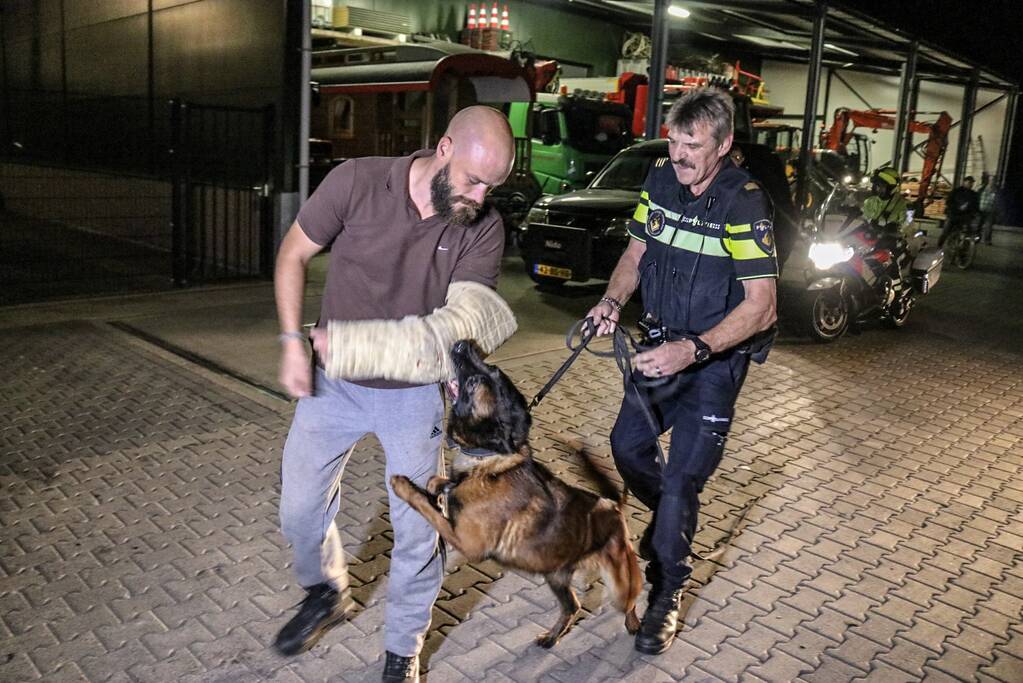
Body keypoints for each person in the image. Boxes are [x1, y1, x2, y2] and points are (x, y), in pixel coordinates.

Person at [273, 105, 514, 683]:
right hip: (332, 385)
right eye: (473, 180)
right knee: (299, 510)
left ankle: (403, 650)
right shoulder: (357, 180)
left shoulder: (480, 227)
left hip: (413, 398)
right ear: (446, 148)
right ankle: (325, 590)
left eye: (492, 186)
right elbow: (293, 254)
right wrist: (288, 341)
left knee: (418, 532)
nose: (479, 196)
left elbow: (461, 326)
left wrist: (357, 345)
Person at [585, 88, 777, 655]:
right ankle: (669, 520)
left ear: (723, 145)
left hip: (713, 364)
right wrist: (611, 303)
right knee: (627, 447)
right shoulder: (661, 182)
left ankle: (667, 590)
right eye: (673, 140)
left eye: (692, 145)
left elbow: (762, 305)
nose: (679, 154)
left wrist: (693, 351)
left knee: (682, 481)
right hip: (659, 347)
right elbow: (635, 255)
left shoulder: (744, 203)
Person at [861, 166, 913, 274]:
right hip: (869, 240)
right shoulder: (869, 201)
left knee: (890, 270)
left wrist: (894, 230)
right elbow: (861, 217)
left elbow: (908, 226)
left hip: (890, 243)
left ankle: (895, 286)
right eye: (876, 185)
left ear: (891, 187)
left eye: (880, 186)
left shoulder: (904, 205)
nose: (876, 189)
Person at [939, 175, 979, 247]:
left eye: (972, 183)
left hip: (965, 217)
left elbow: (975, 206)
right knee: (946, 230)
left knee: (969, 233)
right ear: (964, 182)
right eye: (969, 182)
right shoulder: (956, 191)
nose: (970, 184)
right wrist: (958, 207)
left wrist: (973, 214)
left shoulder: (974, 195)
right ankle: (939, 246)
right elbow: (948, 202)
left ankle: (964, 251)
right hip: (953, 215)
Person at [978, 172, 999, 245]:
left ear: (995, 181)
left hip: (990, 211)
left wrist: (996, 210)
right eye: (990, 179)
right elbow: (978, 197)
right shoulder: (982, 188)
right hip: (981, 209)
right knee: (979, 225)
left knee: (989, 226)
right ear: (988, 180)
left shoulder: (996, 190)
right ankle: (977, 238)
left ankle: (987, 240)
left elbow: (997, 201)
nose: (991, 181)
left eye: (993, 180)